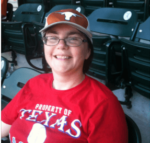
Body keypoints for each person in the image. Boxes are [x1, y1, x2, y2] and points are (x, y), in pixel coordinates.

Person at [1, 9, 128, 143]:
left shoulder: (103, 104)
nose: (61, 45)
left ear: (87, 52)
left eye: (73, 39)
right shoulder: (34, 84)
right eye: (53, 38)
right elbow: (3, 125)